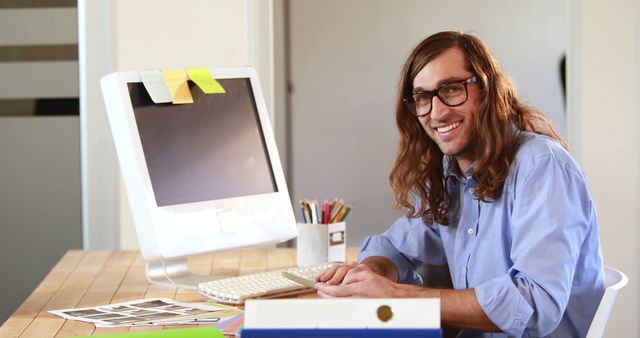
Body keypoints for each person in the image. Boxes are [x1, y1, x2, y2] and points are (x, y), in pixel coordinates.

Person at [315, 31, 604, 337]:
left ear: (487, 89)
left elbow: (533, 303)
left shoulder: (542, 166)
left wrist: (396, 295)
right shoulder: (460, 179)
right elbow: (392, 245)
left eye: (451, 89)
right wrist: (368, 274)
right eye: (423, 98)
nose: (437, 112)